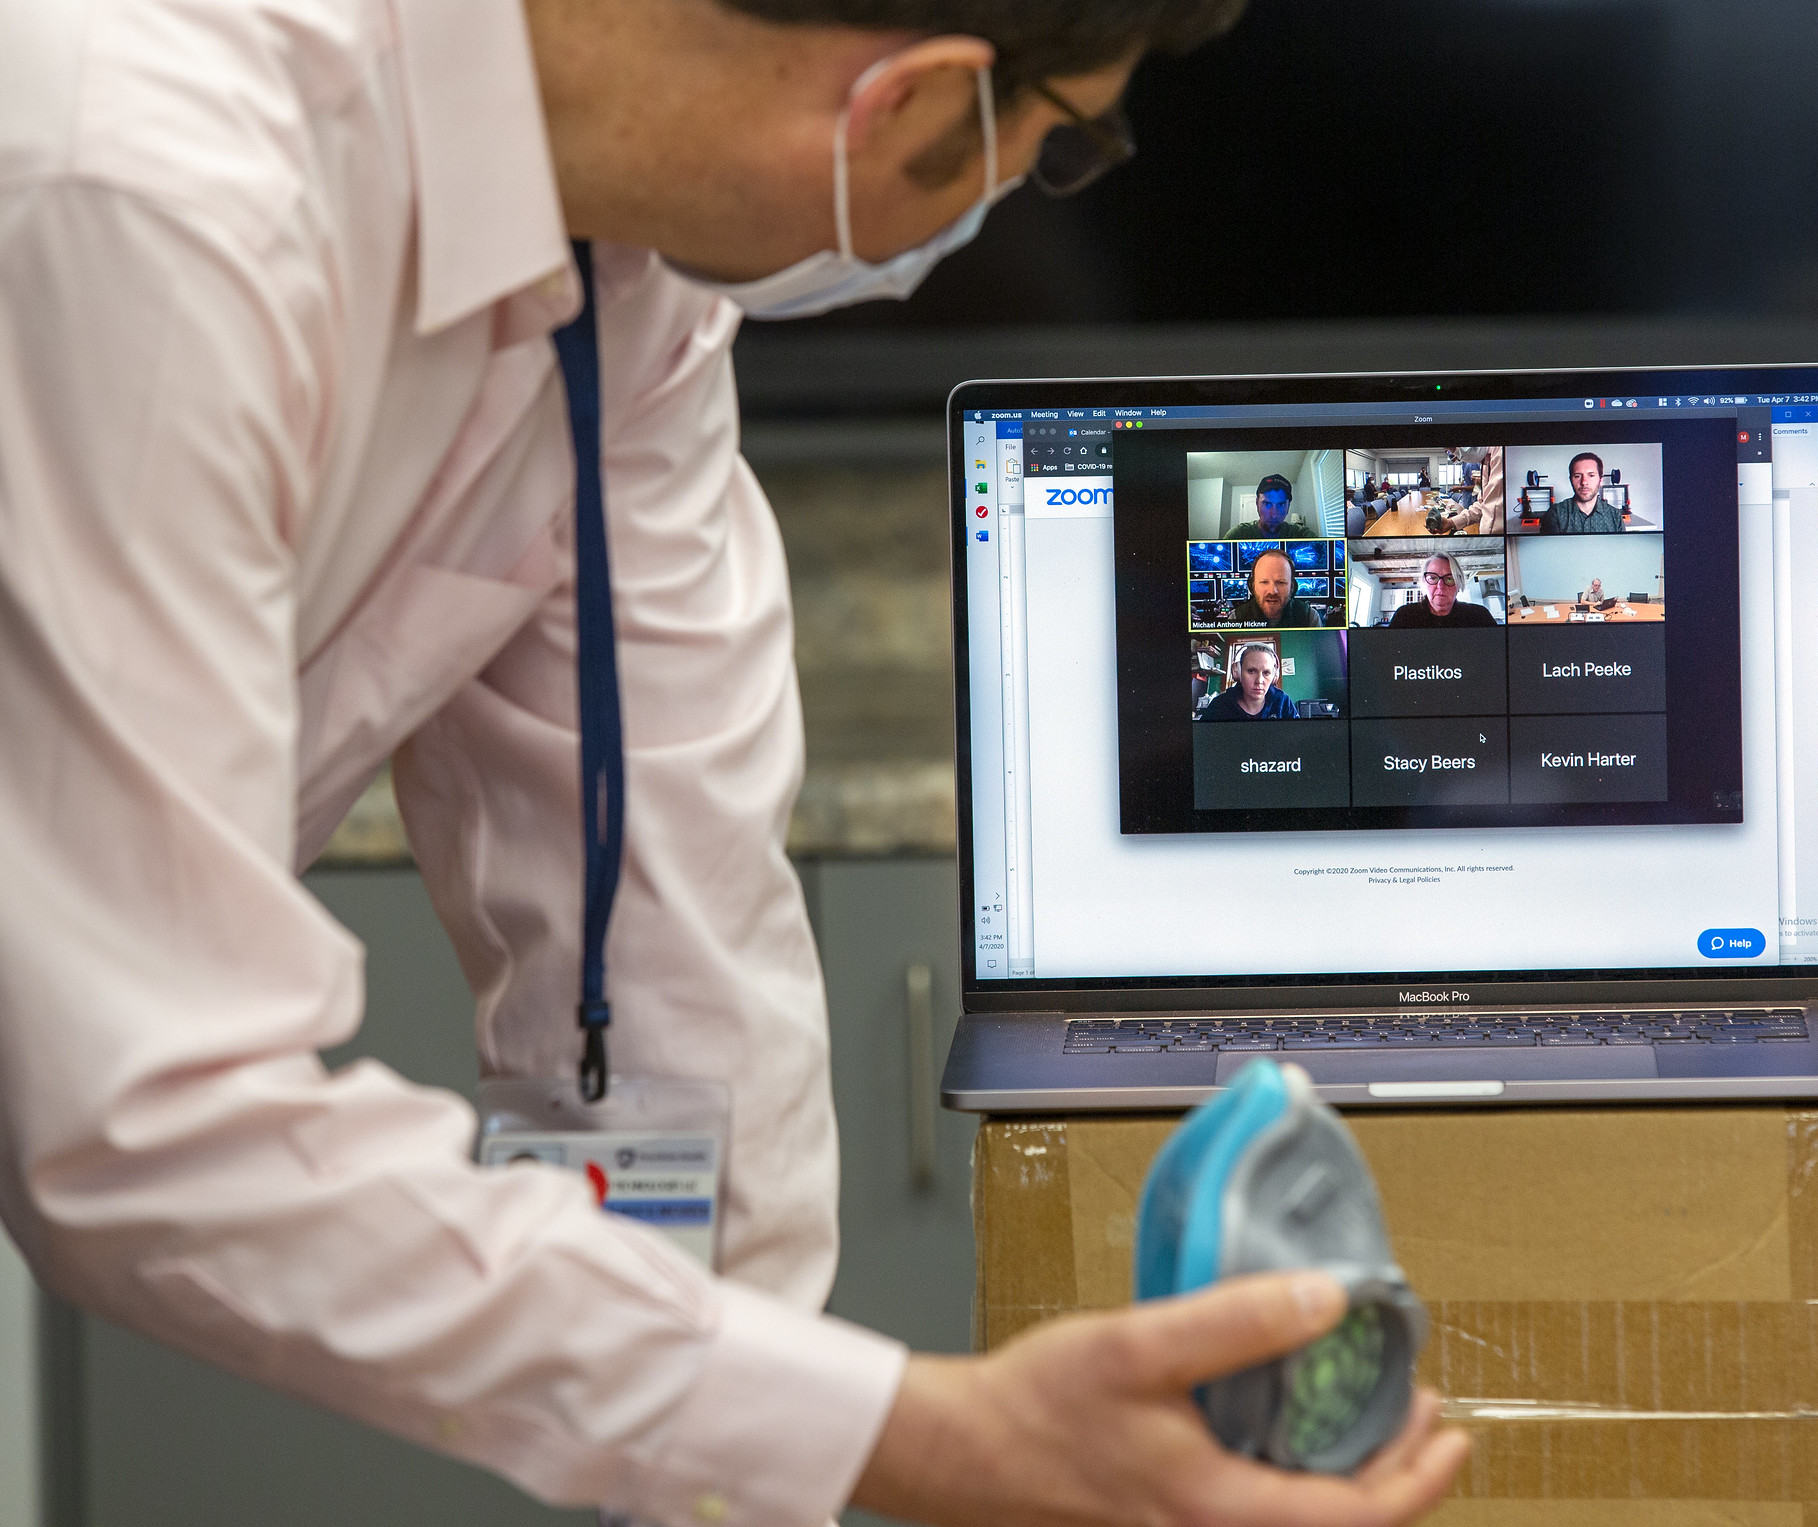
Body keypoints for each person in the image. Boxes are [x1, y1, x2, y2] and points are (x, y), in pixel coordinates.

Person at [0, 1, 1470, 1525]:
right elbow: (145, 1115)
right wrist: (922, 1437)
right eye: (1063, 146)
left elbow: (675, 931)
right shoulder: (142, 186)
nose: (1006, 212)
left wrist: (758, 1474)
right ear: (911, 102)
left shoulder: (617, 270)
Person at [1388, 555, 1499, 628]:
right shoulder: (1404, 615)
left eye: (1449, 578)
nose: (1440, 586)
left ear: (1459, 584)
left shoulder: (1479, 616)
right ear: (1424, 582)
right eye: (1433, 578)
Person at [1197, 644, 1297, 720]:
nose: (1259, 681)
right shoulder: (1219, 705)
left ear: (1274, 676)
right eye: (1251, 671)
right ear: (1238, 672)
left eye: (1266, 673)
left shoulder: (1283, 702)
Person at [1229, 549, 1326, 628]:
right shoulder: (1236, 618)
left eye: (1281, 582)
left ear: (1292, 587)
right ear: (1252, 586)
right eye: (1264, 582)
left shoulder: (1309, 617)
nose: (1272, 591)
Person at [1540, 452, 1627, 534]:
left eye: (1591, 475)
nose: (1584, 482)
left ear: (1600, 480)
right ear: (1571, 480)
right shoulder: (1555, 514)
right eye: (1577, 476)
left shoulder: (1615, 516)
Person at [1433, 448, 1504, 535]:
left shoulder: (1500, 455)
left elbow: (1492, 503)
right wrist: (1451, 522)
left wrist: (1463, 487)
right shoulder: (1485, 460)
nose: (1453, 452)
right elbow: (1485, 504)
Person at [1223, 473, 1314, 539]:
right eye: (1267, 504)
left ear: (1288, 507)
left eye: (1281, 504)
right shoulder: (1238, 535)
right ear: (1257, 503)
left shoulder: (1302, 535)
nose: (1274, 514)